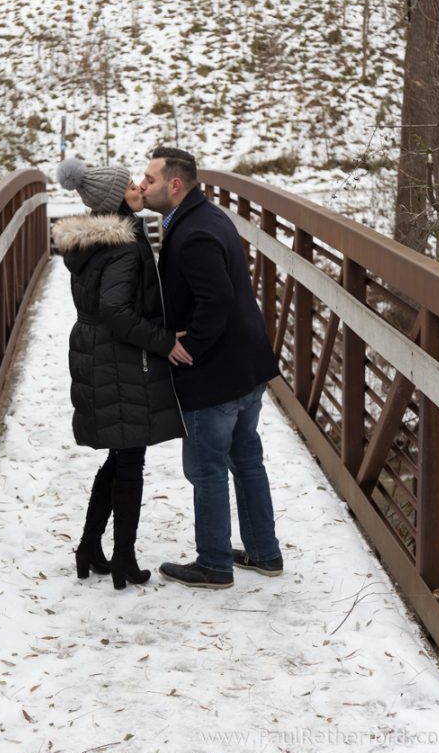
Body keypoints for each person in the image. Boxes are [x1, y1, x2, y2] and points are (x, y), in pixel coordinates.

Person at [139, 146, 283, 589]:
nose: (143, 186)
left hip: (217, 373)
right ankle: (264, 552)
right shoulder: (209, 216)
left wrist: (189, 348)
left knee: (207, 469)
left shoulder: (194, 232)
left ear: (174, 184)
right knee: (247, 459)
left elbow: (215, 299)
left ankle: (215, 563)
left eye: (149, 180)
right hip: (247, 366)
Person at [53, 158, 190, 590]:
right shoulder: (125, 245)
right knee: (131, 458)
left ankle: (90, 548)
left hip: (97, 354)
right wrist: (165, 340)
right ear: (116, 199)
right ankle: (123, 559)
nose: (138, 186)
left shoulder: (92, 239)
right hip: (118, 359)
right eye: (130, 184)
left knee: (120, 454)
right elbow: (116, 311)